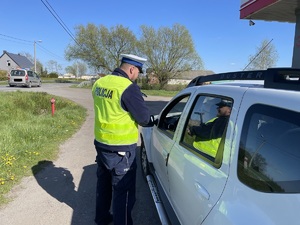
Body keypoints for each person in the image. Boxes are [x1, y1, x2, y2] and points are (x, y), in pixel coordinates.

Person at [92, 54, 153, 225]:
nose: (137, 76)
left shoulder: (99, 83)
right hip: (121, 149)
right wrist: (153, 120)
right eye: (138, 72)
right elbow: (143, 118)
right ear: (132, 69)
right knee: (123, 192)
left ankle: (102, 219)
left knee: (103, 185)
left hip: (101, 144)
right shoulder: (128, 88)